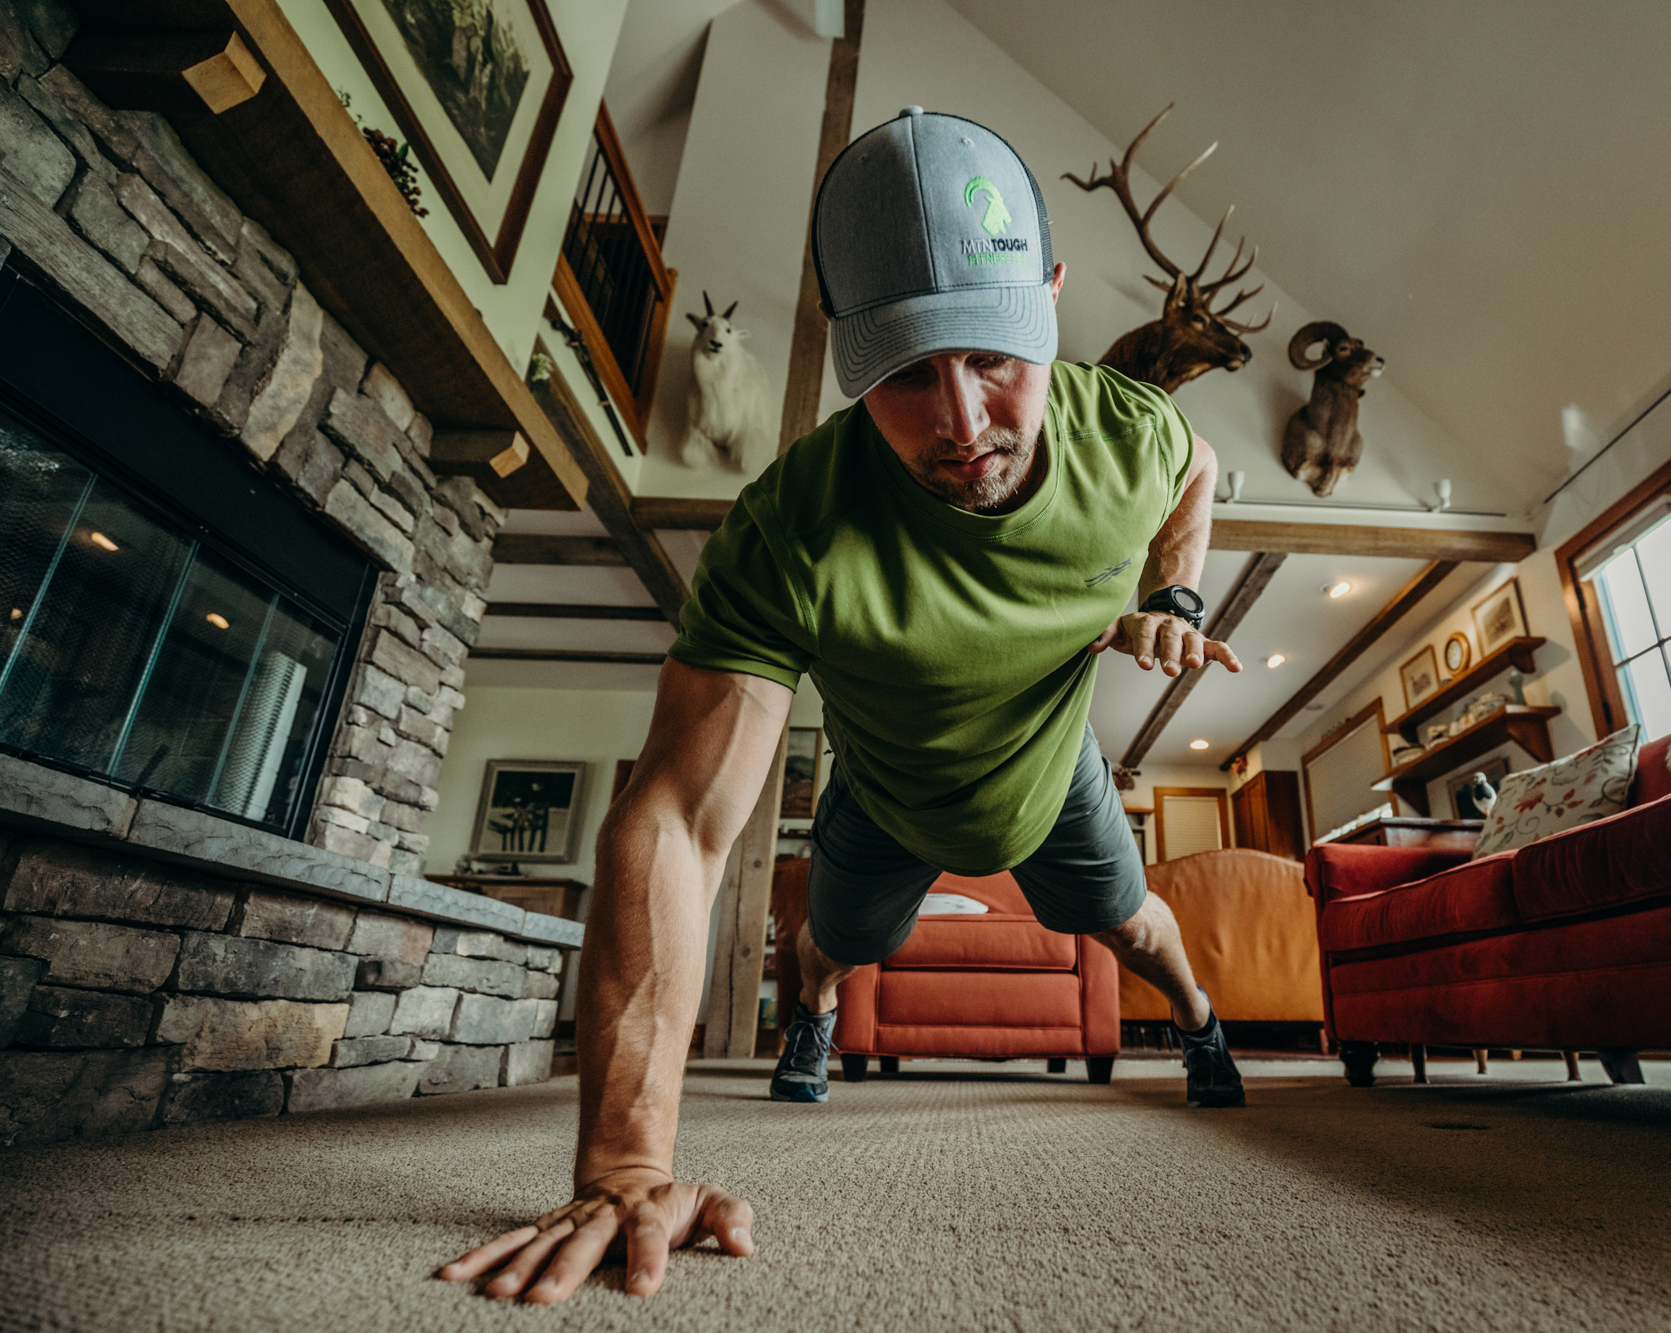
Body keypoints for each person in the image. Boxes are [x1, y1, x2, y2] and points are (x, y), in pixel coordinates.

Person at [443, 108, 1246, 1306]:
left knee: (1135, 931)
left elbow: (1198, 466)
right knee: (834, 948)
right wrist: (622, 1165)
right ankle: (810, 1015)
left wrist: (1172, 586)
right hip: (884, 785)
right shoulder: (790, 525)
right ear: (842, 353)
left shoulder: (1124, 431)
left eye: (992, 357)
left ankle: (1198, 1024)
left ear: (1053, 299)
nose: (962, 422)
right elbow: (673, 819)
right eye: (904, 374)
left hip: (1050, 767)